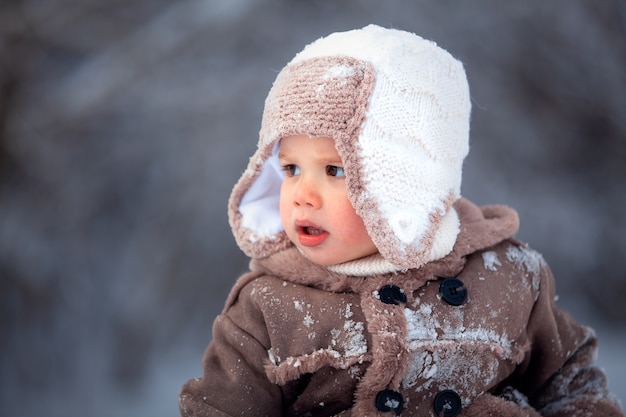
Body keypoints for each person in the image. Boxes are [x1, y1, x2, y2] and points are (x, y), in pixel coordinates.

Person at [179, 24, 623, 417]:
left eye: (336, 170)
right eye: (290, 168)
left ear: (409, 179)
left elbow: (570, 383)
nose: (301, 196)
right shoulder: (270, 308)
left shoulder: (508, 277)